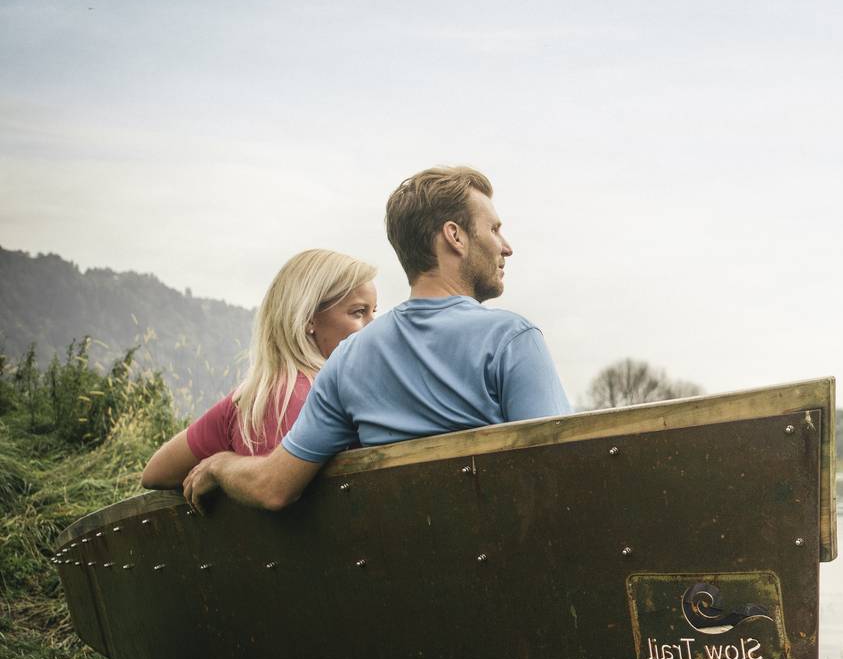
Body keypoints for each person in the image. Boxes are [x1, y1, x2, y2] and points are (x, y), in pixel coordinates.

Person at [182, 165, 571, 512]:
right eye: (494, 229)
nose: (506, 246)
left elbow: (274, 488)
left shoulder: (348, 360)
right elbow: (568, 478)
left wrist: (220, 464)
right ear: (454, 236)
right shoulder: (513, 341)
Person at [141, 249, 378, 488]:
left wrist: (224, 464)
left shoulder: (243, 401)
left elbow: (155, 473)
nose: (372, 326)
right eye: (358, 312)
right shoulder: (335, 396)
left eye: (373, 312)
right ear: (308, 319)